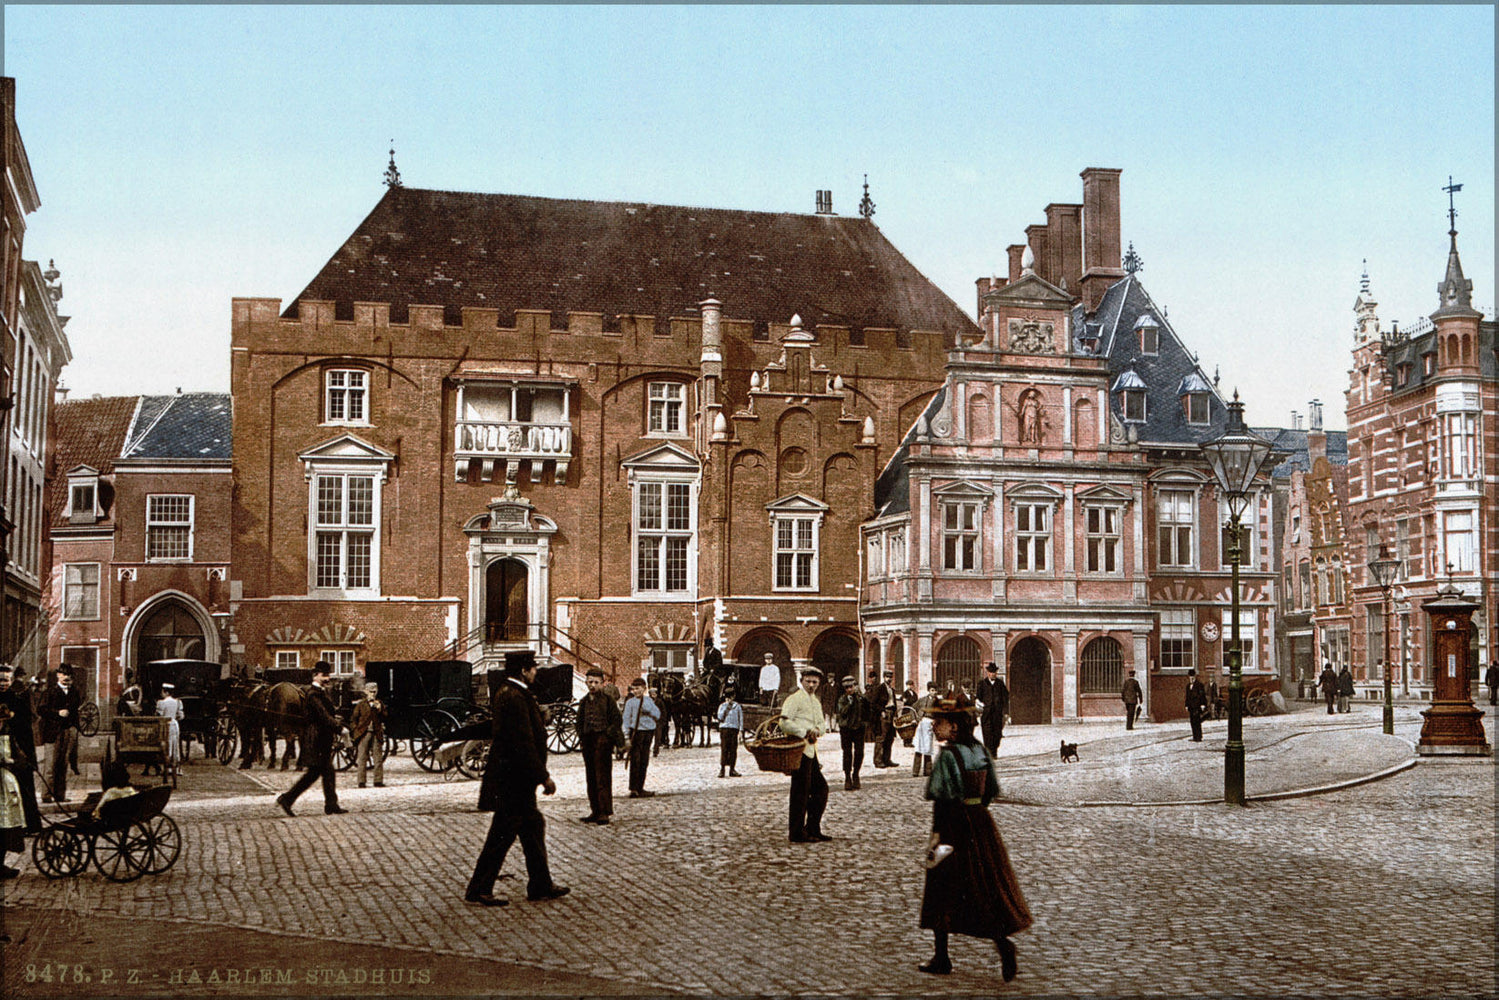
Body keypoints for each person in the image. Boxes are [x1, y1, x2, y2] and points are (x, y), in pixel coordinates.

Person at [916, 693, 1032, 978]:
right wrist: (976, 811)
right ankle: (1002, 943)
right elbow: (991, 789)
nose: (934, 726)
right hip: (981, 825)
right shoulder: (980, 750)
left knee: (940, 888)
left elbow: (943, 799)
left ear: (954, 726)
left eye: (939, 722)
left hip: (952, 827)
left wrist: (937, 838)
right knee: (984, 887)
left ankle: (941, 958)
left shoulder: (947, 755)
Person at [465, 650, 569, 907]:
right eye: (533, 668)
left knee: (533, 828)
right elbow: (522, 743)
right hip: (514, 782)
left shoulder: (512, 693)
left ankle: (540, 884)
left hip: (515, 781)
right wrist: (544, 777)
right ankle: (479, 888)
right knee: (501, 836)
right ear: (523, 670)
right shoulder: (513, 696)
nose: (535, 672)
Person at [275, 661, 346, 817]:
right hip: (316, 739)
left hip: (321, 738)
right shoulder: (313, 694)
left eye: (328, 675)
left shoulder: (321, 692)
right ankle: (287, 799)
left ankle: (331, 804)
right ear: (315, 675)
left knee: (326, 772)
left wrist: (336, 720)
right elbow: (323, 716)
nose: (327, 678)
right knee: (315, 773)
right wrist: (339, 728)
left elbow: (328, 714)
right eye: (324, 675)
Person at [779, 666, 830, 843]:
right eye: (808, 681)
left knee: (821, 789)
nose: (811, 685)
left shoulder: (815, 701)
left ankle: (813, 828)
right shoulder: (794, 700)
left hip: (811, 751)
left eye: (815, 682)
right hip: (798, 750)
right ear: (801, 681)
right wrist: (804, 731)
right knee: (800, 792)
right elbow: (784, 723)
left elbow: (822, 724)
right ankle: (796, 832)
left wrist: (817, 730)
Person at [577, 667, 623, 822]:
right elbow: (579, 722)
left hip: (602, 743)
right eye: (590, 682)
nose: (592, 685)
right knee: (591, 777)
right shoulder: (583, 702)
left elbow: (616, 721)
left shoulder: (608, 701)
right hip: (588, 743)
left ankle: (604, 811)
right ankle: (595, 810)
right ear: (585, 683)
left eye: (596, 682)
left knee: (602, 777)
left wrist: (608, 737)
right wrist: (582, 737)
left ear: (602, 684)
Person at [0, 664, 41, 833]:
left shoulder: (17, 700)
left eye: (6, 680)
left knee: (24, 786)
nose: (3, 683)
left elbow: (26, 726)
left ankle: (29, 825)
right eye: (0, 680)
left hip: (15, 749)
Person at [39, 667, 81, 803]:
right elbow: (41, 709)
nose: (66, 677)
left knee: (63, 764)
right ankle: (46, 796)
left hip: (68, 731)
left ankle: (60, 795)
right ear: (58, 675)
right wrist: (57, 713)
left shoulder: (74, 692)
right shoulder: (49, 692)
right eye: (63, 674)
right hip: (52, 733)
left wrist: (75, 727)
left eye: (69, 675)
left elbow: (76, 710)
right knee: (50, 765)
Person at [1, 700, 30, 879]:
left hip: (5, 781)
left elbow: (17, 753)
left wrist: (21, 761)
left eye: (2, 721)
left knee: (6, 825)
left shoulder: (7, 734)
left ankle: (1, 863)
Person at [621, 678, 660, 798]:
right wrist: (626, 736)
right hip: (636, 733)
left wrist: (648, 711)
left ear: (644, 688)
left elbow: (658, 715)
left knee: (644, 760)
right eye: (633, 689)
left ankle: (640, 787)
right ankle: (633, 788)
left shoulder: (649, 701)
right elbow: (626, 719)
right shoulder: (630, 702)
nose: (635, 691)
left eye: (638, 688)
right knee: (635, 761)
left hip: (648, 732)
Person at [349, 682, 387, 788]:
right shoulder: (361, 705)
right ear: (366, 692)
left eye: (374, 692)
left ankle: (378, 780)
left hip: (376, 733)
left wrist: (380, 709)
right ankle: (361, 781)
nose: (373, 694)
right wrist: (356, 730)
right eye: (371, 692)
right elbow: (353, 719)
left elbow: (386, 717)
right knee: (362, 758)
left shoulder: (380, 704)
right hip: (363, 734)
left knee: (378, 758)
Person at [833, 674, 867, 791]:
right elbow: (842, 712)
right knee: (847, 754)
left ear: (855, 686)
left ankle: (856, 774)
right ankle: (847, 777)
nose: (849, 690)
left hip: (858, 729)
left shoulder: (861, 698)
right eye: (847, 688)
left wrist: (864, 723)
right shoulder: (842, 699)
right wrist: (849, 703)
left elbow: (868, 711)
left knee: (859, 753)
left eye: (851, 687)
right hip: (846, 729)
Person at [976, 662, 1010, 754]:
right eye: (991, 672)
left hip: (997, 714)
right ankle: (990, 753)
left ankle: (994, 749)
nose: (993, 674)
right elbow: (978, 698)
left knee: (997, 734)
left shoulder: (1000, 684)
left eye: (994, 672)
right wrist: (980, 708)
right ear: (988, 673)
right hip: (986, 714)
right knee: (987, 733)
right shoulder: (982, 684)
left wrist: (1006, 712)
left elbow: (1006, 699)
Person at [912, 681, 938, 777]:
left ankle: (928, 770)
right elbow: (912, 709)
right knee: (918, 747)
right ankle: (915, 771)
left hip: (930, 724)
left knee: (928, 748)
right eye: (932, 690)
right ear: (928, 690)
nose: (934, 692)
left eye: (935, 691)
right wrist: (915, 719)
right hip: (921, 724)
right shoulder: (922, 700)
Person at [715, 688, 743, 779]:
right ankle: (722, 769)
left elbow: (741, 719)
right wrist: (727, 706)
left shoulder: (737, 706)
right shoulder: (722, 706)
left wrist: (741, 731)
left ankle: (732, 769)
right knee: (724, 749)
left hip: (734, 729)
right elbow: (719, 717)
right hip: (724, 729)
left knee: (733, 750)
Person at [157, 682, 184, 770]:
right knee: (174, 745)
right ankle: (175, 766)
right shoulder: (177, 702)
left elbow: (159, 715)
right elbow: (181, 715)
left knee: (166, 745)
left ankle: (166, 766)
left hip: (165, 725)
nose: (161, 694)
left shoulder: (161, 703)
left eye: (163, 692)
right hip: (174, 724)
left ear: (166, 692)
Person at [1185, 669, 1209, 742]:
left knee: (1197, 721)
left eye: (1192, 677)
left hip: (1197, 706)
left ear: (1195, 677)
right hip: (1191, 707)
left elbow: (1202, 695)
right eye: (1190, 677)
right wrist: (1186, 705)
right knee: (1192, 721)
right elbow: (1187, 696)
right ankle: (1194, 736)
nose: (1191, 679)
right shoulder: (1188, 686)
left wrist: (1203, 704)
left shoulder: (1199, 685)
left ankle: (1199, 736)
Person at [899, 678, 920, 746]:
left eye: (911, 685)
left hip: (912, 712)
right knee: (906, 727)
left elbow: (916, 702)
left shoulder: (914, 694)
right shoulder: (905, 693)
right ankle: (906, 742)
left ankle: (910, 741)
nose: (910, 686)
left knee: (912, 727)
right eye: (908, 685)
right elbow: (902, 699)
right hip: (906, 711)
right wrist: (905, 700)